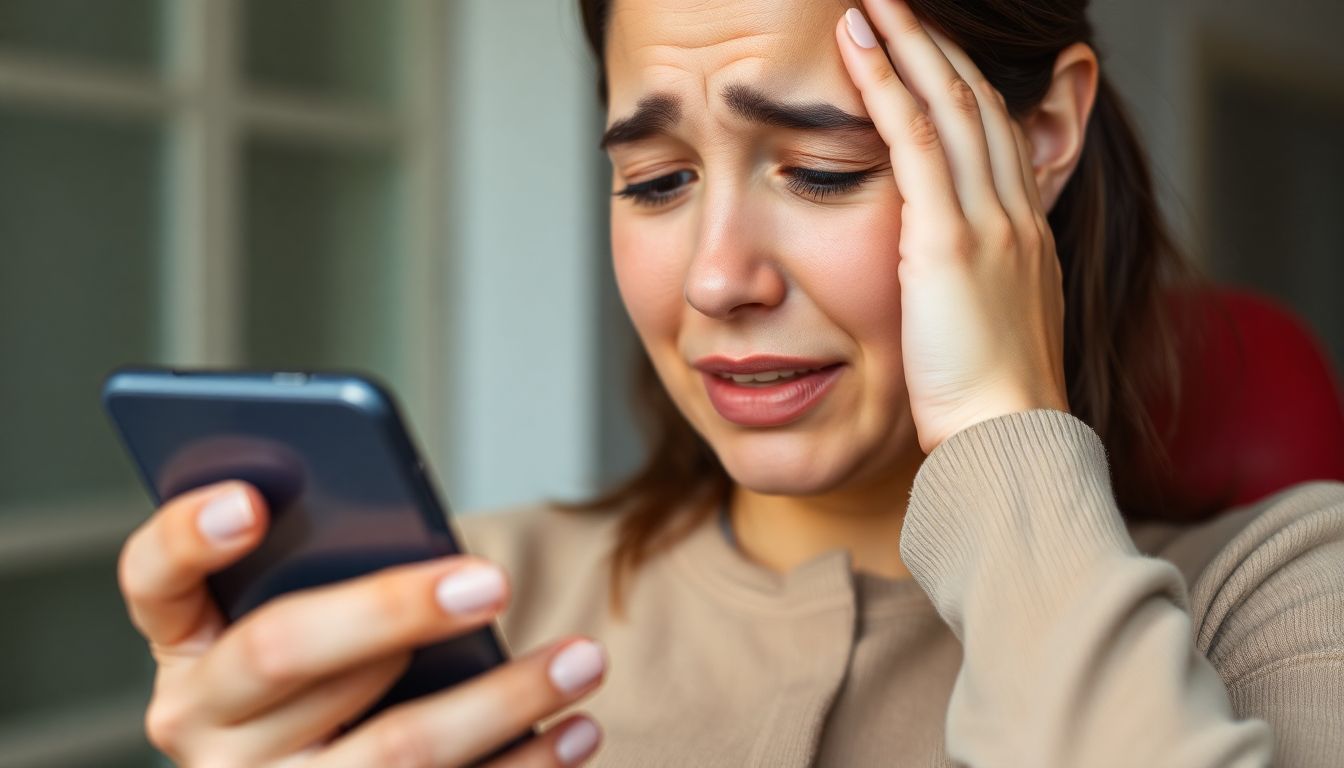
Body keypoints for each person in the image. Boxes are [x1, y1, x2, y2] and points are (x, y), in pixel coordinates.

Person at [114, 0, 1344, 765]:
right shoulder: (461, 609)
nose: (715, 278)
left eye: (819, 168)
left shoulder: (1282, 602)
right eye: (654, 182)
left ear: (1035, 142)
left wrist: (1001, 429)